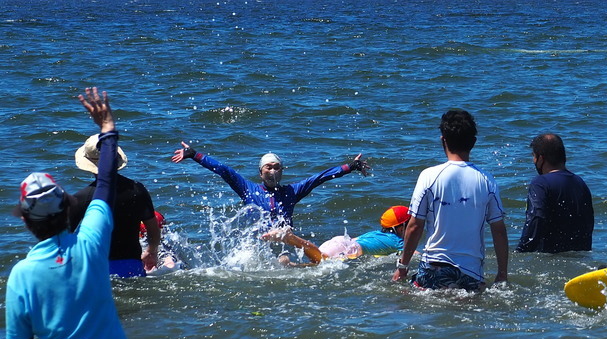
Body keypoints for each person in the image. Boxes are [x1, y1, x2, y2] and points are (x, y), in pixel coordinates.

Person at [6, 88, 138, 339]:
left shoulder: (21, 275)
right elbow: (107, 182)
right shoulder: (93, 242)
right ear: (67, 208)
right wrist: (108, 127)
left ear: (27, 221)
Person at [392, 109, 508, 292]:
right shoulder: (487, 180)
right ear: (474, 142)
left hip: (434, 267)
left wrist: (402, 267)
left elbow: (414, 226)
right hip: (472, 273)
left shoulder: (429, 176)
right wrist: (502, 274)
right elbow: (499, 231)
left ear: (443, 140)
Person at [170, 143, 370, 230]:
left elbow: (318, 178)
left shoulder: (292, 192)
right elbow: (224, 170)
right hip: (259, 242)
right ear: (260, 172)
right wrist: (194, 155)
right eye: (268, 167)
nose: (272, 171)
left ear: (282, 171)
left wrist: (349, 166)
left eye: (277, 167)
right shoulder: (247, 189)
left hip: (285, 239)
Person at [69, 134, 160, 277]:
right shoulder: (137, 189)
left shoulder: (83, 197)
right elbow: (153, 229)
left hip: (97, 270)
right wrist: (150, 251)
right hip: (133, 267)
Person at [516, 133, 594, 253]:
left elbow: (536, 217)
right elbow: (589, 221)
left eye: (534, 156)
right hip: (580, 254)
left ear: (541, 158)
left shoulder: (540, 183)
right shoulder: (580, 183)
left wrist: (522, 250)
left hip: (550, 257)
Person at [266, 205, 412, 266]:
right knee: (321, 261)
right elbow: (413, 254)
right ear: (401, 228)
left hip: (340, 241)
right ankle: (292, 238)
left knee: (317, 264)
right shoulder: (397, 241)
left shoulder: (376, 233)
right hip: (348, 248)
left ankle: (289, 264)